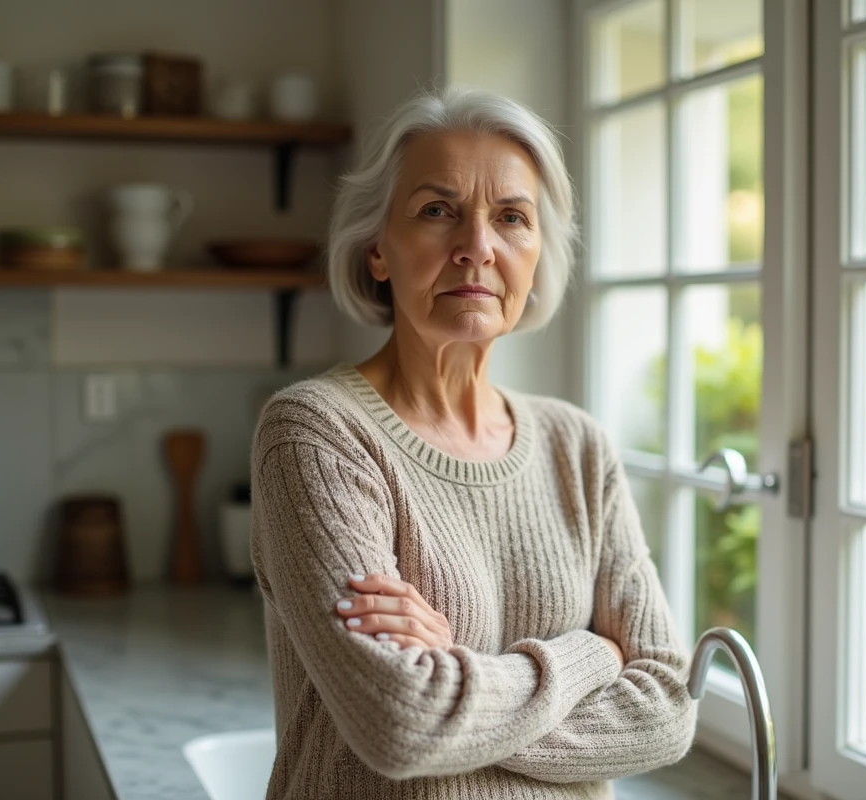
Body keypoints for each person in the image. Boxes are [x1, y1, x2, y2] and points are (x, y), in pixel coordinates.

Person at [250, 85, 698, 799]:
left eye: (512, 218)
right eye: (437, 212)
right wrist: (593, 655)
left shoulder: (576, 446)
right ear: (378, 252)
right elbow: (403, 726)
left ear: (537, 253)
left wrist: (454, 675)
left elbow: (669, 709)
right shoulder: (316, 432)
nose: (476, 248)